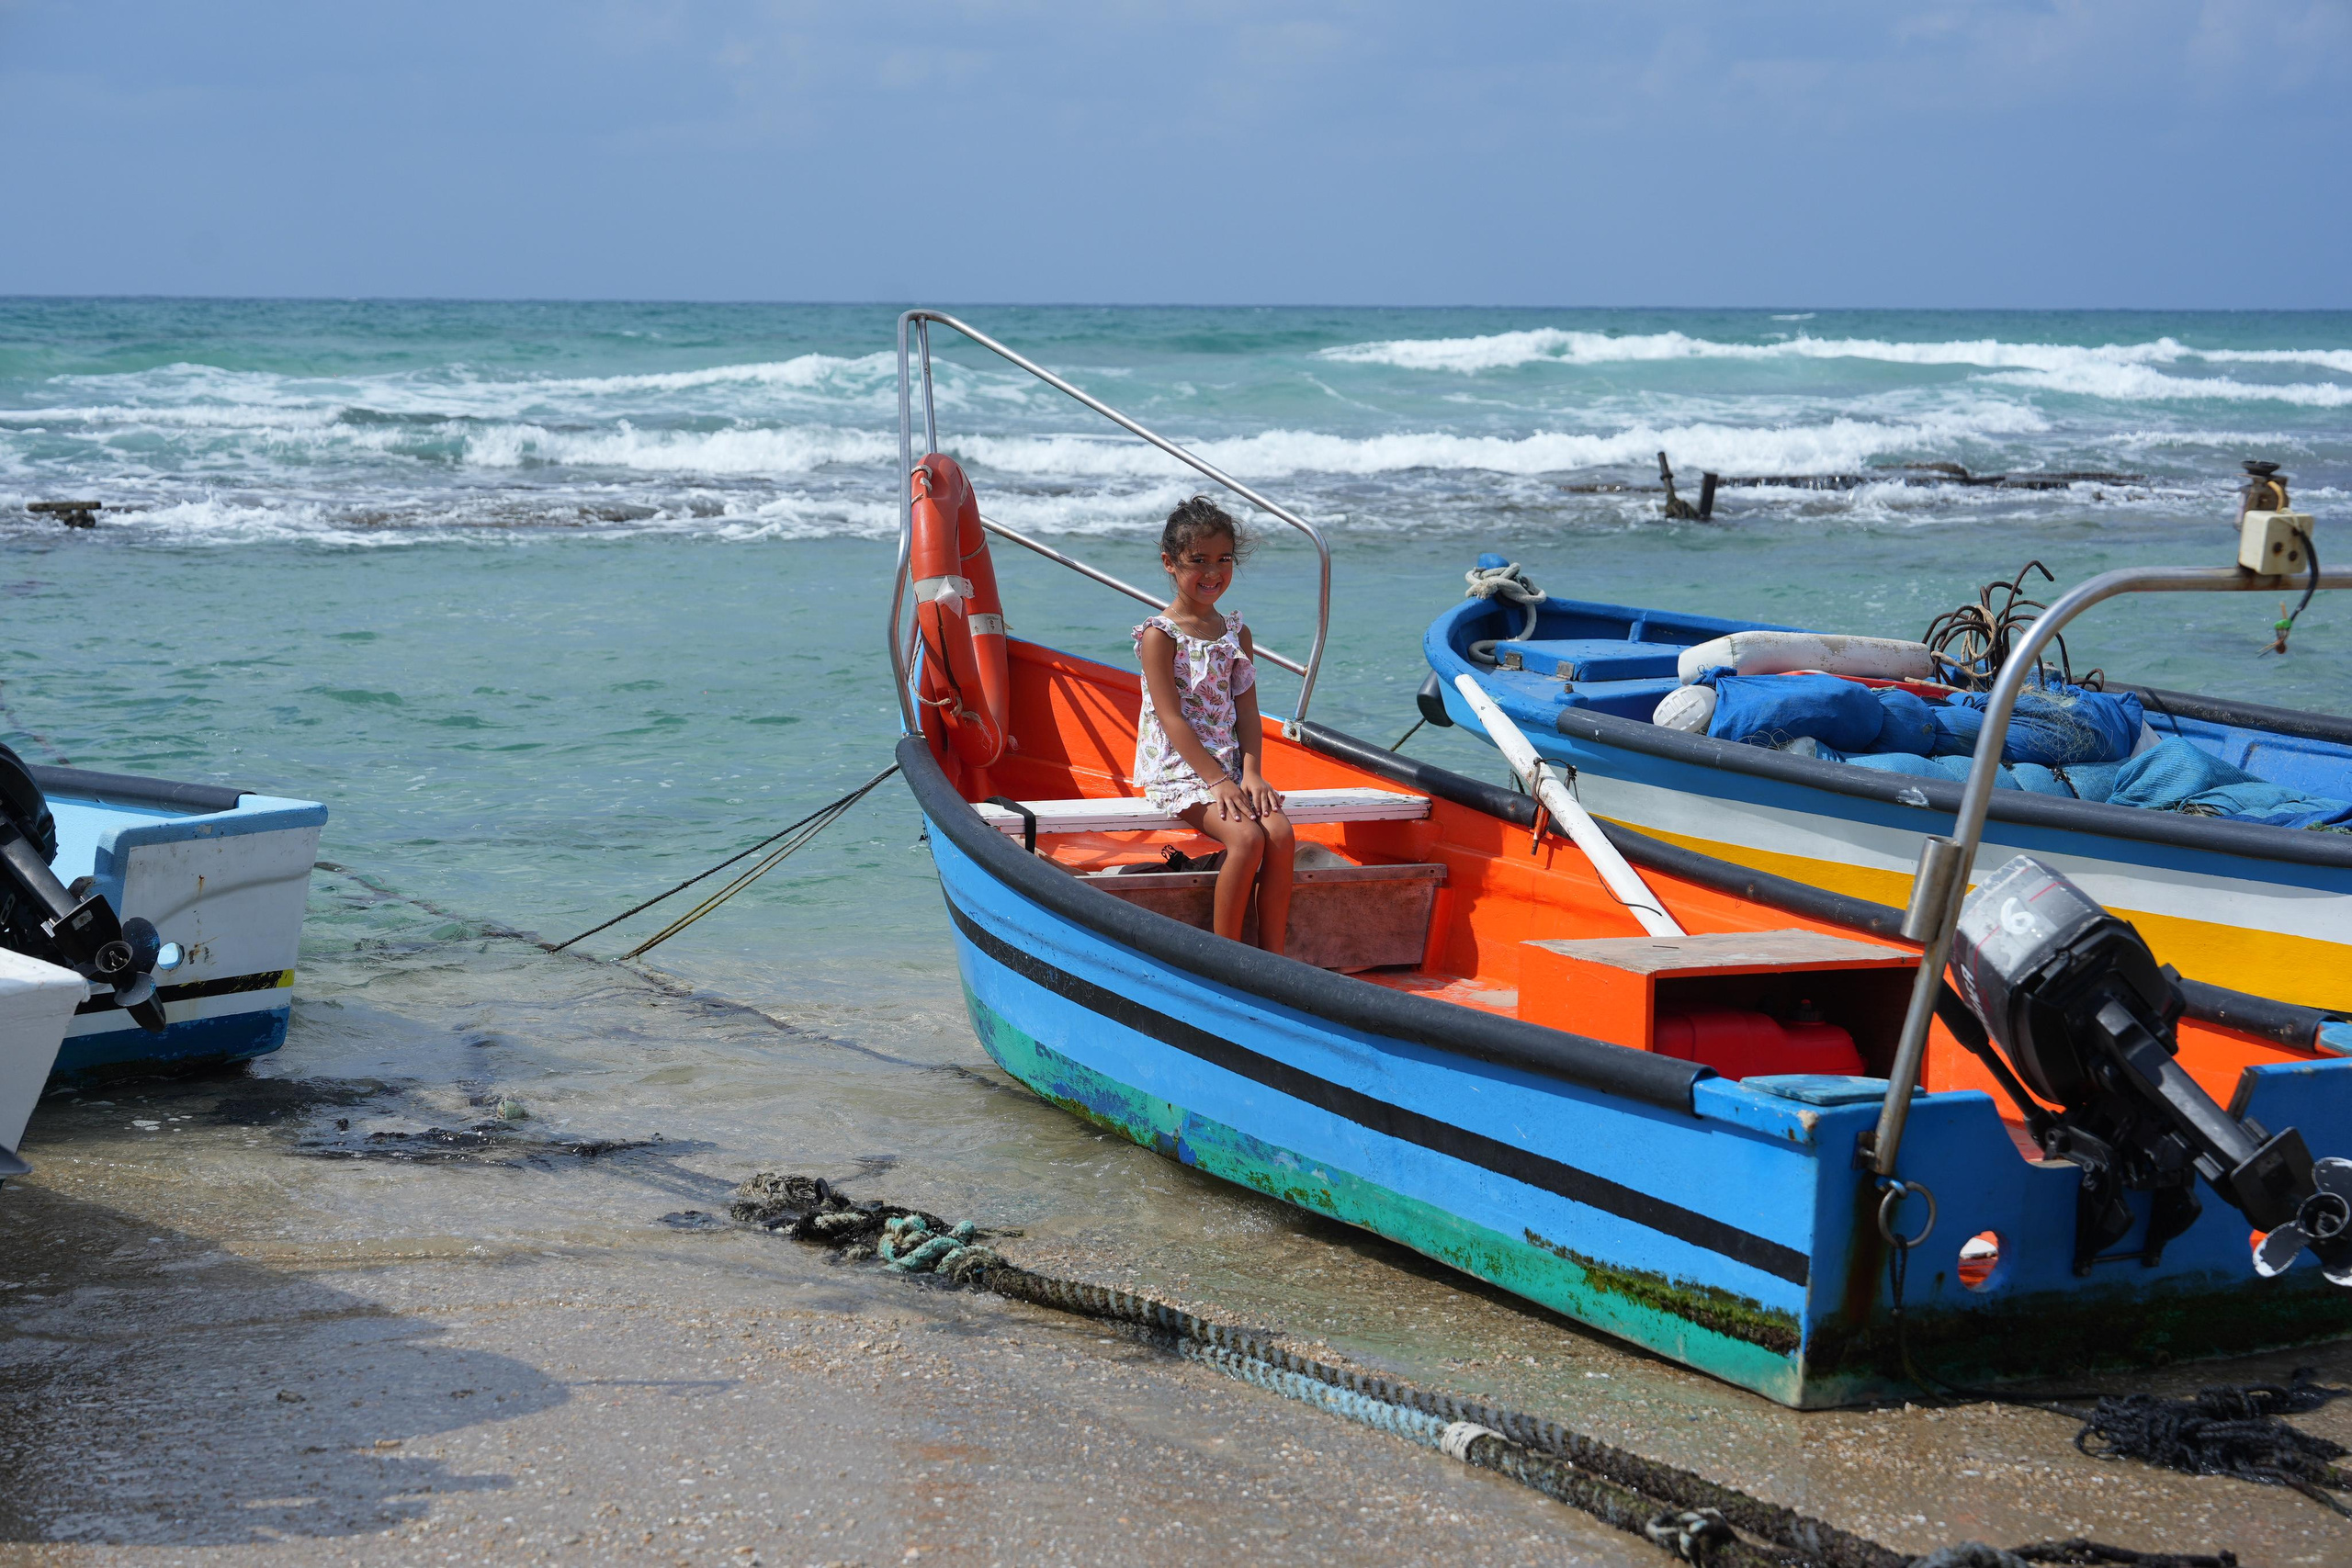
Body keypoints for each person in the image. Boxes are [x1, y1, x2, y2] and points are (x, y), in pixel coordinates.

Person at [1132, 496, 1295, 954]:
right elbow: (1170, 717)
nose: (1213, 572)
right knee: (1245, 838)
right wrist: (1218, 781)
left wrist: (1252, 773)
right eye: (1197, 561)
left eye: (1223, 559)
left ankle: (1274, 956)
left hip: (1228, 767)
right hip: (1180, 769)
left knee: (1280, 835)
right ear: (1169, 563)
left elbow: (1246, 711)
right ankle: (1230, 959)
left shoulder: (1235, 632)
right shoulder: (1158, 635)